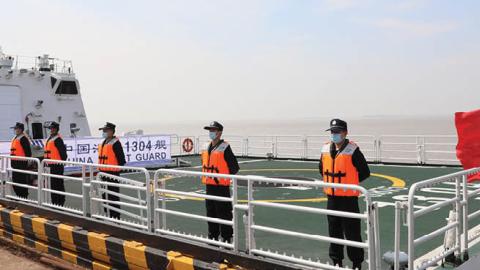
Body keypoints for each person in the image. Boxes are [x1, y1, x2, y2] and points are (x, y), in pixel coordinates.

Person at [319, 119, 370, 270]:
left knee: (352, 232)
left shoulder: (353, 150)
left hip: (349, 199)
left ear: (345, 132)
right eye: (333, 132)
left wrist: (350, 183)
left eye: (338, 132)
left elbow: (365, 172)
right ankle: (336, 262)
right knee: (334, 231)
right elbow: (321, 169)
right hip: (332, 198)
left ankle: (356, 263)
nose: (335, 135)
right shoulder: (325, 149)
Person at [201, 121, 239, 242]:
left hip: (221, 187)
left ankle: (227, 238)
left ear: (220, 133)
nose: (211, 132)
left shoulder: (225, 147)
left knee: (224, 213)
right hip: (209, 186)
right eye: (210, 130)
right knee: (211, 212)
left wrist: (224, 177)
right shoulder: (205, 147)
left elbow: (234, 167)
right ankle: (212, 237)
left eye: (213, 130)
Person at [98, 122, 126, 219]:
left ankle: (115, 217)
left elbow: (121, 160)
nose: (104, 132)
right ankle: (108, 215)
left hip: (112, 174)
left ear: (111, 131)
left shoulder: (115, 143)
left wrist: (114, 169)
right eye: (103, 131)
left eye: (105, 130)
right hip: (103, 173)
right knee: (104, 195)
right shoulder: (104, 142)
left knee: (113, 196)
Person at [43, 121, 68, 206]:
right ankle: (54, 203)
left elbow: (63, 154)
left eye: (53, 128)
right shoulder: (50, 138)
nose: (52, 130)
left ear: (57, 129)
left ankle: (60, 202)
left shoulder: (58, 140)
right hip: (50, 165)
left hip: (57, 165)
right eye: (51, 128)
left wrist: (61, 163)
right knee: (53, 185)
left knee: (58, 184)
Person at [9, 122, 32, 199]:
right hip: (15, 164)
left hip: (21, 164)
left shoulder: (23, 139)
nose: (15, 130)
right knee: (15, 183)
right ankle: (19, 197)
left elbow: (28, 152)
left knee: (21, 182)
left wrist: (27, 162)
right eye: (15, 128)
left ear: (21, 130)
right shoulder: (16, 138)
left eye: (17, 128)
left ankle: (23, 197)